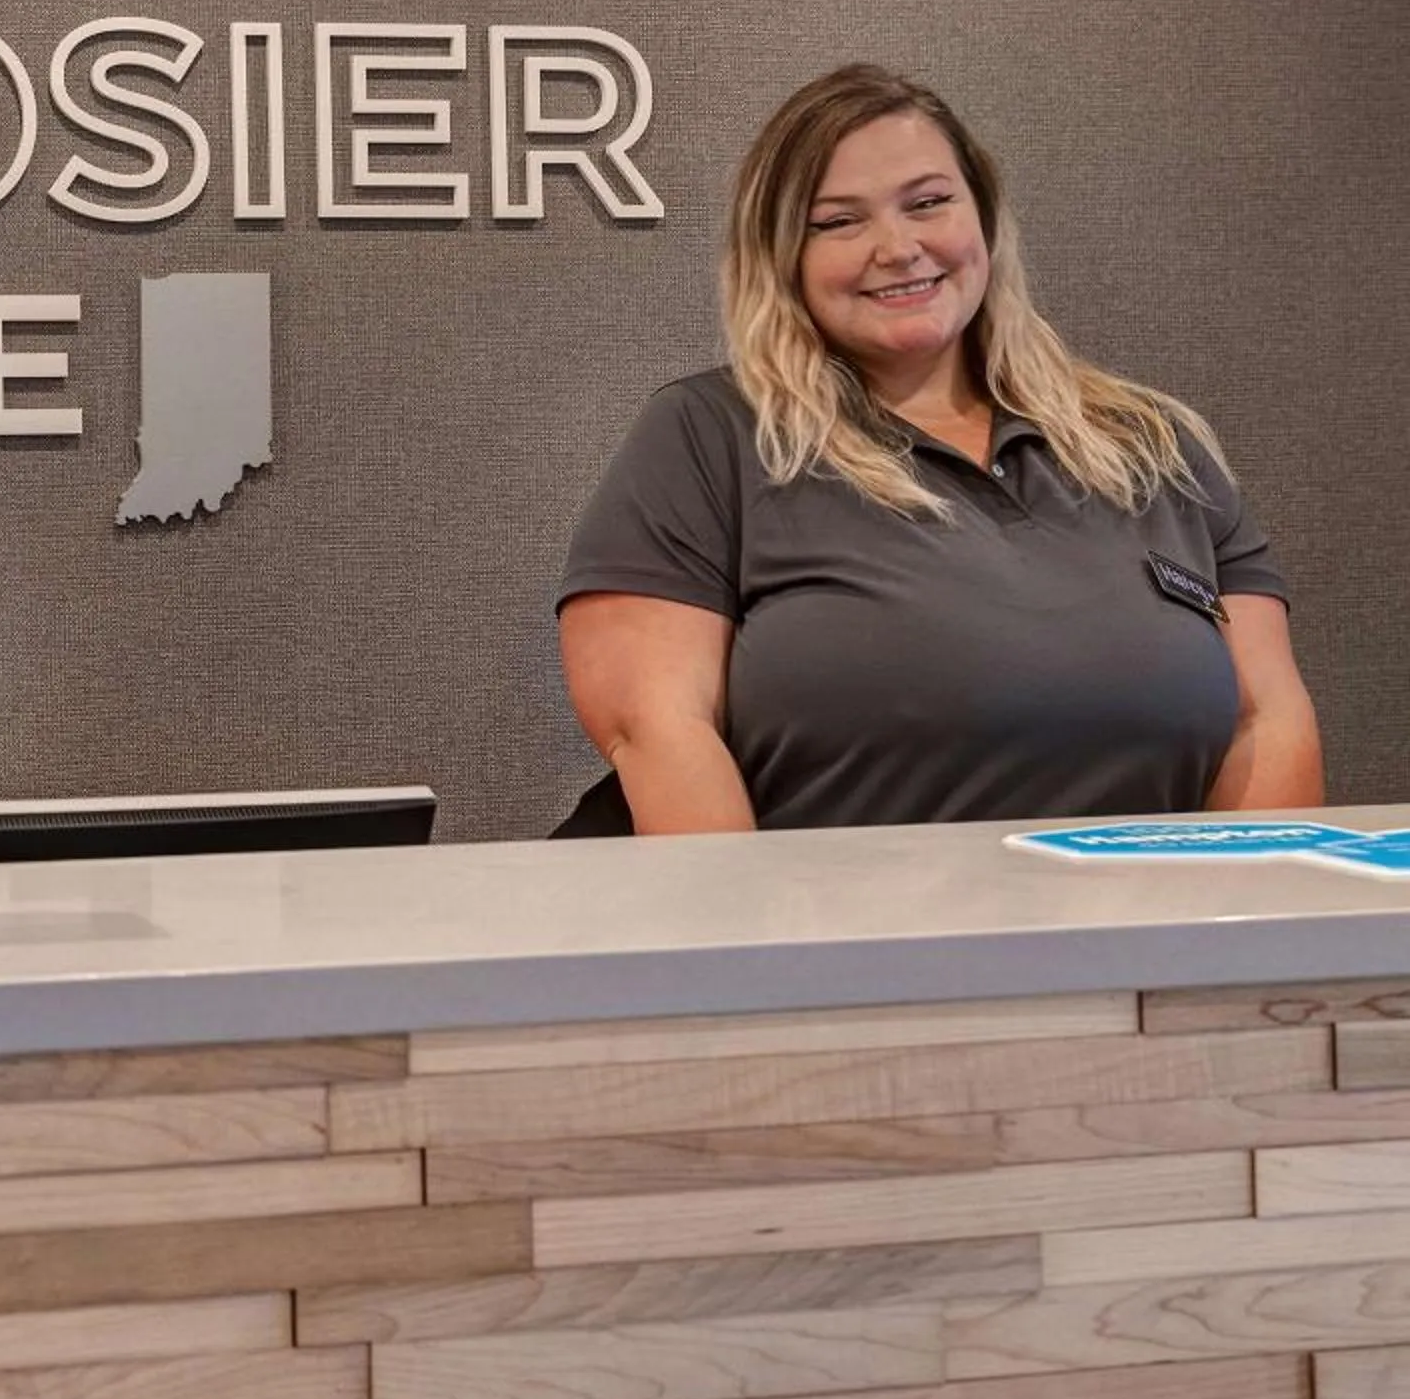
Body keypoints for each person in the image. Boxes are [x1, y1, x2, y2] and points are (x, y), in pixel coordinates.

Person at [557, 64, 1323, 833]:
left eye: (928, 203)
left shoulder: (1155, 446)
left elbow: (1269, 719)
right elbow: (656, 729)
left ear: (984, 219)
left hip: (1143, 944)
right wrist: (766, 955)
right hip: (834, 943)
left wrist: (1228, 935)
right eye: (837, 222)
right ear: (780, 255)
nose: (897, 246)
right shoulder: (710, 436)